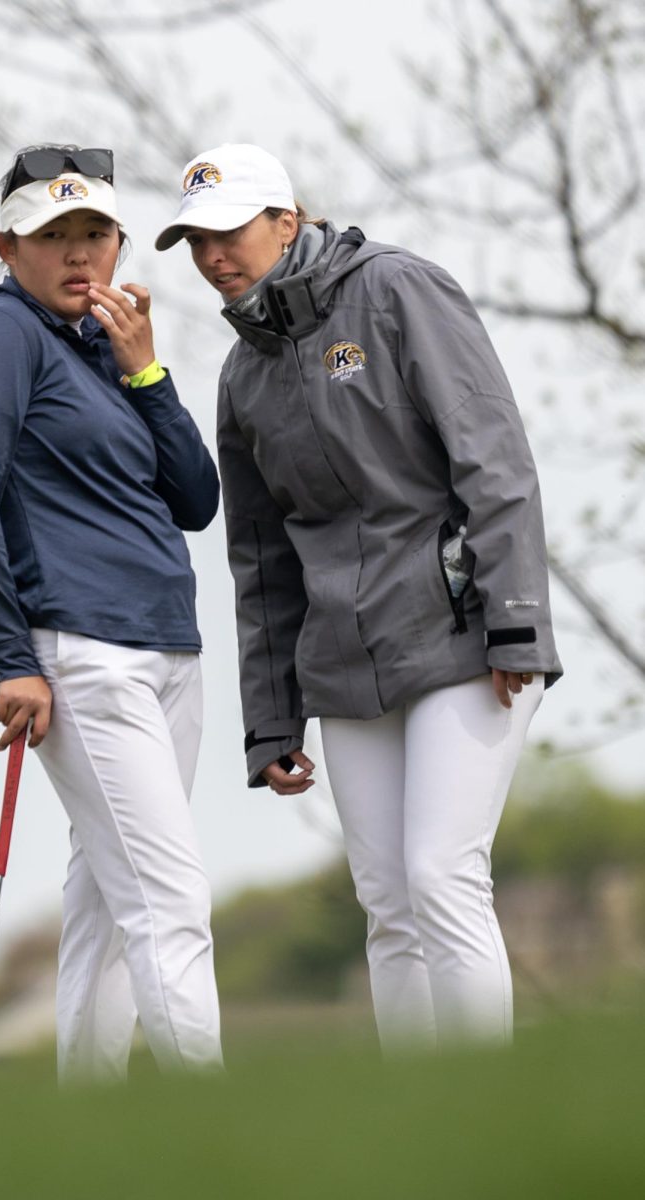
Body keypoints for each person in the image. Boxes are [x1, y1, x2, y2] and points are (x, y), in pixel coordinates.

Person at [156, 143, 563, 1051]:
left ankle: (484, 1110)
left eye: (230, 232)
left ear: (286, 223)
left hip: (461, 637)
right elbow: (262, 561)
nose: (213, 255)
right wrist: (271, 720)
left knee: (441, 873)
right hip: (343, 664)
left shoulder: (396, 291)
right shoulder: (241, 377)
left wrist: (517, 623)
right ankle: (419, 1126)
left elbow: (495, 462)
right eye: (194, 241)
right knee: (385, 900)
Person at [0, 144, 223, 1081]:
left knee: (111, 899)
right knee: (170, 900)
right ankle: (221, 1129)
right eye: (50, 236)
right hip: (83, 654)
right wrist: (9, 657)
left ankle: (85, 1128)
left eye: (93, 233)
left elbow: (194, 498)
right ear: (6, 247)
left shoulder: (109, 347)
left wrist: (148, 372)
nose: (75, 254)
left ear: (120, 243)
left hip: (168, 650)